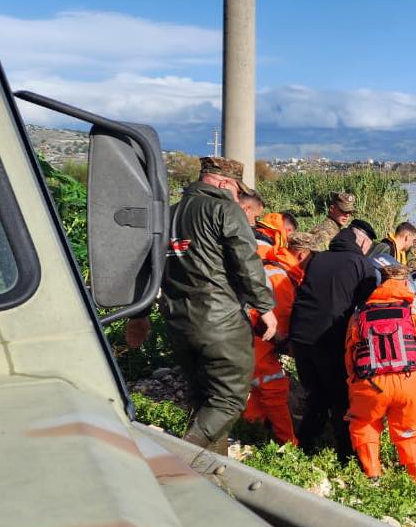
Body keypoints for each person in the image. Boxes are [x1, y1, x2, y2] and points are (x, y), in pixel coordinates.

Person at [152, 156, 276, 451]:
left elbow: (149, 266)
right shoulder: (224, 209)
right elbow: (246, 262)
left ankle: (209, 467)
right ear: (225, 183)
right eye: (237, 190)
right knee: (228, 400)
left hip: (178, 322)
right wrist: (265, 307)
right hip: (220, 322)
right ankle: (183, 455)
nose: (238, 198)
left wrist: (140, 315)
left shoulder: (168, 214)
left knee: (204, 399)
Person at [289, 219, 378, 460]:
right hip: (330, 338)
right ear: (362, 242)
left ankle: (305, 446)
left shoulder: (317, 259)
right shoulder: (361, 264)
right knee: (341, 397)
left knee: (316, 393)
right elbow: (368, 307)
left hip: (300, 337)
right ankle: (345, 454)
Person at [343, 264, 416, 484]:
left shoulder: (359, 316)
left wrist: (355, 381)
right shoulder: (415, 315)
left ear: (380, 283)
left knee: (365, 424)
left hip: (370, 383)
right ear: (406, 283)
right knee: (412, 430)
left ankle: (373, 474)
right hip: (409, 381)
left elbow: (350, 355)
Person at [243, 215, 300, 446]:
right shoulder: (274, 265)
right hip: (261, 336)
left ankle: (252, 430)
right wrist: (284, 341)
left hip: (240, 333)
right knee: (273, 386)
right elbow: (282, 310)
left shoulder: (245, 251)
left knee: (256, 386)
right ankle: (289, 443)